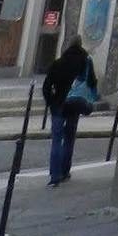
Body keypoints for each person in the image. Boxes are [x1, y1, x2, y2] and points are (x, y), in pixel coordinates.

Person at [42, 35, 96, 187]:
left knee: (56, 141)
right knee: (69, 139)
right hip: (74, 104)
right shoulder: (86, 63)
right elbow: (92, 82)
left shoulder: (58, 63)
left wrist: (51, 102)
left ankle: (54, 175)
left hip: (58, 105)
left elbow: (46, 87)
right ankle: (65, 171)